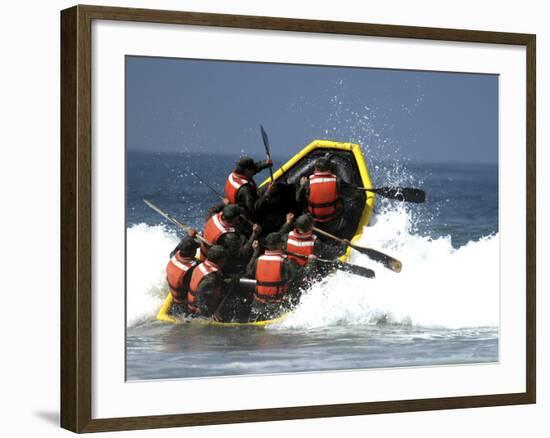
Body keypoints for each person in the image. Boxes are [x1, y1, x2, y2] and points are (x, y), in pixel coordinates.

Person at [246, 232, 307, 321]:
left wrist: (255, 252)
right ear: (280, 245)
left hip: (258, 303)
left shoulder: (258, 260)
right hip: (277, 305)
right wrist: (311, 263)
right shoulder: (285, 262)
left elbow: (249, 271)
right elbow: (299, 278)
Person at [199, 204, 261, 270]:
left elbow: (213, 209)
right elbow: (242, 255)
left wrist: (223, 204)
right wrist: (254, 235)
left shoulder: (213, 215)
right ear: (235, 218)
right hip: (218, 261)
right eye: (238, 216)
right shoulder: (229, 237)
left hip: (207, 250)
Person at [296, 157, 344, 234]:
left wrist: (302, 185)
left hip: (314, 218)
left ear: (315, 168)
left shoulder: (308, 183)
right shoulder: (337, 180)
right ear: (329, 169)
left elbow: (298, 199)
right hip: (332, 216)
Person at [187, 245, 231, 321]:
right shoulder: (211, 278)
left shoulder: (201, 265)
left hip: (191, 305)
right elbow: (199, 295)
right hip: (200, 312)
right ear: (221, 260)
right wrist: (211, 314)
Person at [165, 236, 200, 313]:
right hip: (184, 301)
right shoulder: (192, 269)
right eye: (195, 250)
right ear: (192, 252)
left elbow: (178, 247)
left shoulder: (173, 255)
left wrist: (190, 236)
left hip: (176, 294)